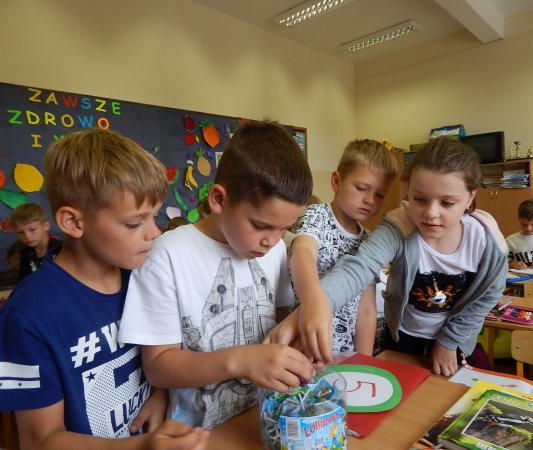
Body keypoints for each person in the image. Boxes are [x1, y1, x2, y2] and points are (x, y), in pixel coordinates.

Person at [0, 128, 209, 450]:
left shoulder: (141, 276)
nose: (154, 232)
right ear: (73, 222)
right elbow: (40, 440)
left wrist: (159, 394)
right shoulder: (28, 315)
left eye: (154, 217)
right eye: (134, 222)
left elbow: (159, 356)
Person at [119, 119, 316, 429]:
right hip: (198, 432)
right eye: (261, 226)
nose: (272, 240)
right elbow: (157, 367)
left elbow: (279, 321)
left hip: (260, 419)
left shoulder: (275, 249)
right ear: (219, 200)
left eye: (284, 228)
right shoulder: (167, 254)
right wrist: (241, 360)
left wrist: (296, 346)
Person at [268, 137, 508, 376]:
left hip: (456, 339)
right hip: (403, 337)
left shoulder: (487, 243)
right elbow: (357, 270)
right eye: (419, 199)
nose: (431, 213)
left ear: (470, 198)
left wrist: (449, 341)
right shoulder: (397, 227)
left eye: (447, 203)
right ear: (408, 192)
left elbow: (488, 294)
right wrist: (306, 311)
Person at [289, 139, 398, 356]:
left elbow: (366, 311)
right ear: (337, 181)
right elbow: (303, 252)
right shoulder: (316, 215)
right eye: (361, 188)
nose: (370, 200)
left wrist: (365, 360)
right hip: (303, 346)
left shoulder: (369, 240)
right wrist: (313, 303)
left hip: (343, 354)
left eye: (380, 194)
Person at [10, 202, 62, 281]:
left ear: (46, 225)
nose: (27, 236)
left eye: (32, 230)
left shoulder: (61, 250)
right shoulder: (25, 252)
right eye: (20, 232)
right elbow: (24, 281)